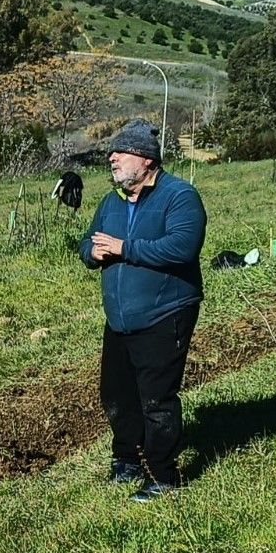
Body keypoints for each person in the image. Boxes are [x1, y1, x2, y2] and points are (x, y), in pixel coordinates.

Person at [78, 119, 206, 503]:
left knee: (156, 398)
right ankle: (127, 461)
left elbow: (182, 248)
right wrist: (92, 252)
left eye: (121, 153)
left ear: (146, 159)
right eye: (111, 154)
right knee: (117, 395)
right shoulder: (111, 202)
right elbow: (88, 241)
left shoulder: (179, 196)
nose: (112, 159)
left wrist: (123, 247)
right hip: (120, 318)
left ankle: (163, 475)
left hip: (165, 313)